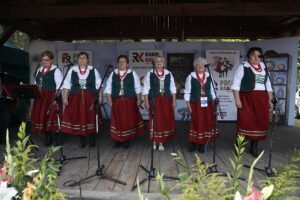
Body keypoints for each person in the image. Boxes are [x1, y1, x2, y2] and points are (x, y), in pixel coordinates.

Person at [231, 47, 272, 157]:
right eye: (253, 55)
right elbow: (235, 85)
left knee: (259, 122)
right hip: (246, 98)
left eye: (258, 55)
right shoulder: (243, 67)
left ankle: (254, 146)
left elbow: (268, 85)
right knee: (245, 121)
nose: (256, 57)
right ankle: (240, 146)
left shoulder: (264, 67)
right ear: (248, 56)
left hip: (262, 98)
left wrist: (270, 100)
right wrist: (237, 100)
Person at [61, 52, 102, 148]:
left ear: (88, 60)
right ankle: (82, 139)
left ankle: (92, 139)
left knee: (91, 117)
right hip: (76, 98)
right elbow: (67, 85)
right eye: (80, 58)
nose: (82, 60)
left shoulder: (93, 70)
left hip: (90, 97)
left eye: (84, 58)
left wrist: (100, 97)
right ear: (77, 60)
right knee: (78, 118)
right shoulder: (72, 70)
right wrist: (65, 97)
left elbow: (99, 85)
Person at [104, 55, 145, 148]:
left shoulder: (132, 73)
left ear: (127, 64)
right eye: (120, 62)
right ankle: (117, 139)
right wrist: (109, 100)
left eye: (123, 62)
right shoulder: (113, 73)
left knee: (128, 120)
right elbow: (108, 88)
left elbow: (138, 88)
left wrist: (139, 99)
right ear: (118, 64)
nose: (121, 63)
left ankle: (127, 139)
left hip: (129, 101)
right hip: (117, 101)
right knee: (117, 120)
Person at [184, 57, 217, 153]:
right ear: (195, 66)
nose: (200, 67)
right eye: (198, 65)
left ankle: (202, 144)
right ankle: (194, 143)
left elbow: (212, 90)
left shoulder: (209, 76)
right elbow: (187, 92)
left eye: (202, 65)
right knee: (195, 122)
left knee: (205, 123)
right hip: (195, 103)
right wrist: (188, 105)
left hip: (208, 103)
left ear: (205, 66)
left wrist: (214, 101)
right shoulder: (191, 76)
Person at [143, 56, 176, 151]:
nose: (159, 62)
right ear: (154, 63)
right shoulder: (150, 73)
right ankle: (154, 141)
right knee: (154, 120)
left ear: (164, 63)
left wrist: (174, 100)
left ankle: (161, 142)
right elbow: (145, 88)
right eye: (157, 61)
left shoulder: (168, 73)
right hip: (155, 100)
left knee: (164, 120)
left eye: (161, 61)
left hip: (166, 100)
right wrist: (146, 101)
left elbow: (173, 88)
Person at [31, 50, 63, 146]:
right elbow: (36, 83)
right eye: (43, 60)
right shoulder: (39, 70)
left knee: (53, 117)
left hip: (51, 96)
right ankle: (47, 137)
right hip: (41, 97)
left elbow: (59, 86)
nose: (45, 62)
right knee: (43, 116)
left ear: (52, 60)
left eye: (47, 60)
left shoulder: (56, 70)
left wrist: (55, 98)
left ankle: (58, 139)